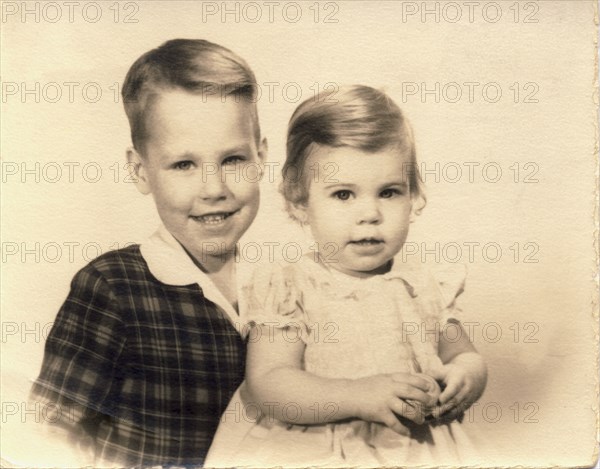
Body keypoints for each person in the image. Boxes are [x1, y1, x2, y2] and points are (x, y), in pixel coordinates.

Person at [206, 85, 487, 467]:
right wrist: (357, 395)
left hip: (412, 448)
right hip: (319, 447)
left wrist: (466, 376)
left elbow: (461, 352)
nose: (369, 214)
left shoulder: (423, 282)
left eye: (388, 192)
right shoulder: (290, 285)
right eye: (343, 195)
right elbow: (270, 382)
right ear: (299, 201)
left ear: (415, 196)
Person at [29, 38, 267, 467]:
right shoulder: (112, 287)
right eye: (183, 165)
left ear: (261, 156)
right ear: (140, 171)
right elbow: (44, 437)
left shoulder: (283, 287)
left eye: (233, 159)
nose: (214, 189)